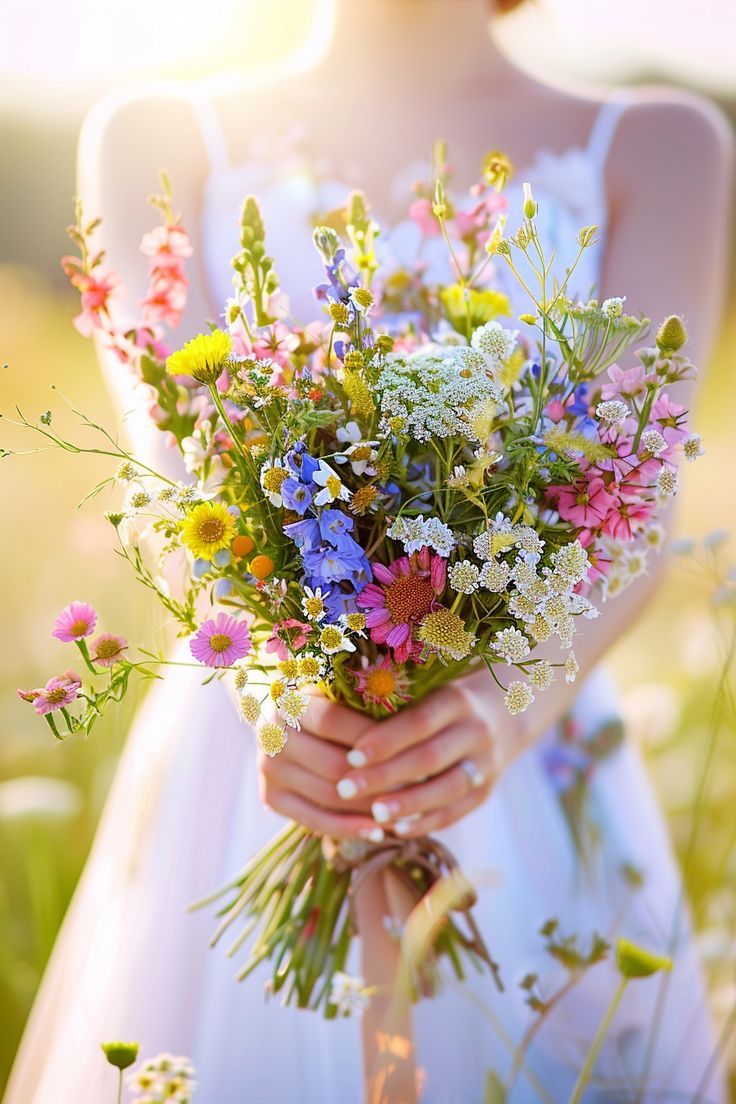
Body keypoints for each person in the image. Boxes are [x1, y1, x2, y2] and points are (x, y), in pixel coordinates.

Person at [6, 0, 733, 1100]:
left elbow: (633, 504)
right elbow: (178, 474)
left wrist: (493, 710)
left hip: (525, 748)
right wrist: (284, 697)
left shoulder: (660, 143)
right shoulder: (156, 130)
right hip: (264, 745)